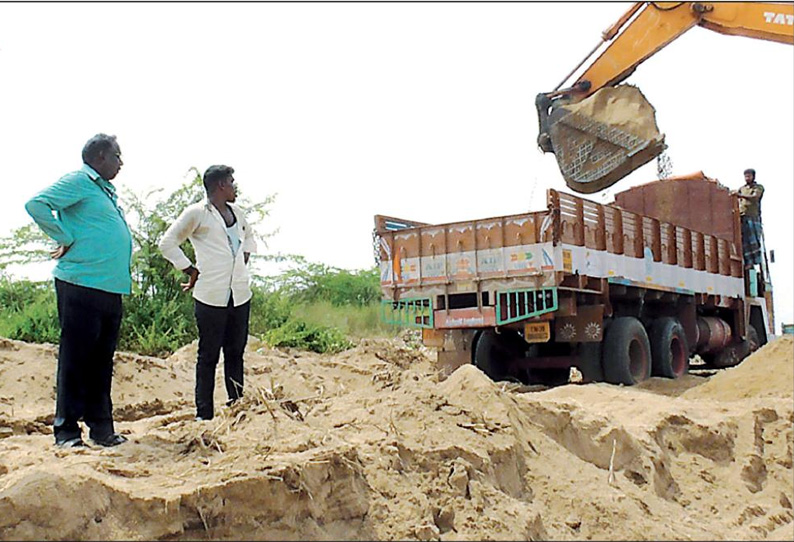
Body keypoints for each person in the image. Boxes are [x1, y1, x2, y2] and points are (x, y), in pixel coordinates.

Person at [24, 134, 132, 448]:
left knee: (102, 360)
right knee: (76, 358)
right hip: (80, 282)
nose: (121, 162)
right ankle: (67, 432)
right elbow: (36, 204)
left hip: (110, 287)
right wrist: (64, 236)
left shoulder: (104, 191)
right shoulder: (79, 181)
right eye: (116, 155)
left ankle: (101, 428)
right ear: (99, 156)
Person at [158, 165, 257, 421]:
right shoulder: (197, 214)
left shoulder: (238, 213)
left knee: (235, 352)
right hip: (210, 294)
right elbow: (167, 243)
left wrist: (242, 258)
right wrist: (188, 269)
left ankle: (237, 407)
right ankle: (204, 414)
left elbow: (248, 238)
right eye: (232, 182)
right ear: (221, 185)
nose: (235, 187)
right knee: (208, 355)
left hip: (239, 293)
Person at [735, 168, 765, 269]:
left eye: (749, 176)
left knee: (754, 241)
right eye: (745, 176)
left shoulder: (758, 187)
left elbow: (755, 197)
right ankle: (748, 262)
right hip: (742, 216)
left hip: (753, 217)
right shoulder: (742, 188)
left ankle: (754, 262)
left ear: (753, 176)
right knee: (744, 241)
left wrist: (740, 195)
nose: (747, 178)